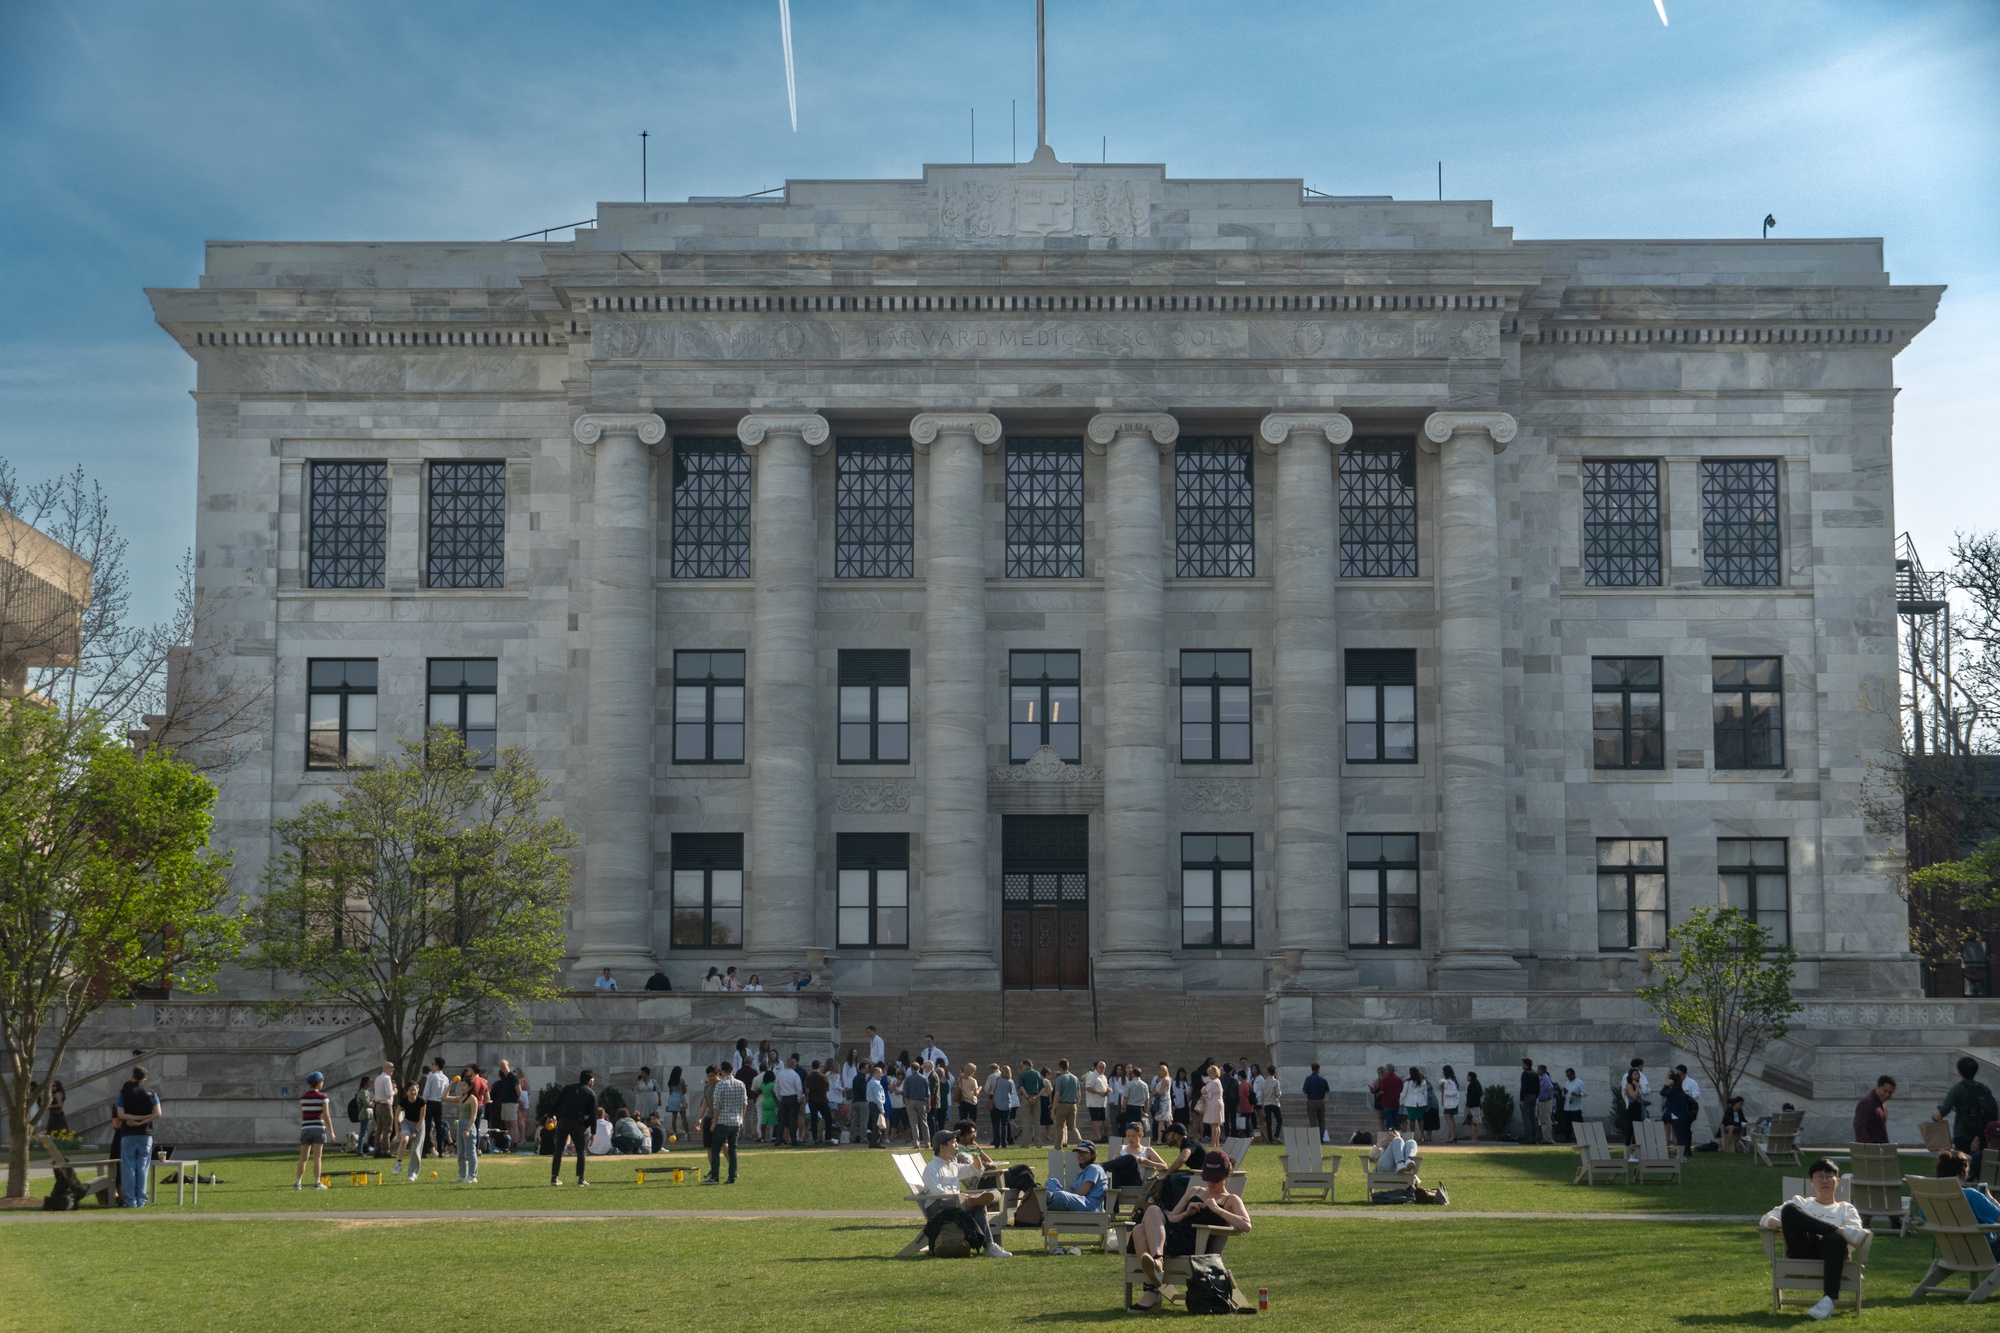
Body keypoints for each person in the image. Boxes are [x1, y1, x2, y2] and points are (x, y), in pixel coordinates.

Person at [1126, 1150, 1251, 1312]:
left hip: (1191, 1244)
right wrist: (1187, 1212)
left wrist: (1217, 1210)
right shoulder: (1195, 1191)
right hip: (1170, 1235)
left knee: (1138, 1230)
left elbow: (1246, 1225)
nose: (1211, 1182)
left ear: (1226, 1175)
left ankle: (1151, 1291)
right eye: (1208, 1177)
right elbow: (1171, 1218)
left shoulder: (1230, 1200)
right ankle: (1158, 1261)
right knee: (1151, 1213)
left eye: (1216, 1178)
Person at [1760, 1158, 1868, 1321]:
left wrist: (1828, 1233)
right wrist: (1792, 1225)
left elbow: (1855, 1235)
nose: (1824, 1180)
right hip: (1803, 1249)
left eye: (1829, 1176)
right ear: (1812, 1182)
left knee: (1833, 1239)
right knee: (1788, 1211)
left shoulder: (1845, 1208)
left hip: (1832, 1253)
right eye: (1819, 1176)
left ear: (1837, 1181)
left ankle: (1828, 1300)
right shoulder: (1800, 1203)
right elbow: (1765, 1219)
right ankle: (1835, 1229)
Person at [921, 1131, 1012, 1258]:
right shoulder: (932, 1168)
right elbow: (937, 1192)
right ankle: (989, 1247)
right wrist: (961, 1197)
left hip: (955, 1202)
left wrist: (975, 1155)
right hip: (938, 1205)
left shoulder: (953, 1165)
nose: (957, 1145)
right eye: (953, 1143)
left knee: (992, 1193)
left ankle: (976, 1202)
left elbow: (976, 1170)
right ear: (942, 1147)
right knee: (978, 1204)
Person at [1935, 1150, 2000, 1260]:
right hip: (1984, 1251)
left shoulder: (1933, 1196)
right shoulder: (1971, 1195)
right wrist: (1990, 1199)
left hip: (1953, 1251)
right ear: (1963, 1172)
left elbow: (1924, 1219)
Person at [114, 1067, 160, 1208]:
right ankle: (141, 1199)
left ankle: (131, 1200)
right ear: (145, 1078)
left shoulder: (124, 1093)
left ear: (132, 1076)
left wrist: (134, 1119)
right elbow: (158, 1113)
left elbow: (121, 1115)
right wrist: (143, 1120)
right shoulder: (152, 1092)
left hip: (128, 1134)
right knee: (142, 1167)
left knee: (128, 1167)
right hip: (145, 1134)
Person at [1933, 1055, 1998, 1154]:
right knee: (1981, 1165)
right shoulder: (1984, 1088)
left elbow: (1942, 1112)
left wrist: (1934, 1117)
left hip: (1964, 1136)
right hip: (1983, 1135)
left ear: (1959, 1071)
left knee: (1963, 1165)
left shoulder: (1959, 1088)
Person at [549, 1069, 598, 1187]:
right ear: (590, 1080)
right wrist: (593, 1132)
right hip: (577, 1122)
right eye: (593, 1080)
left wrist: (550, 1116)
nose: (593, 1083)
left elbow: (557, 1102)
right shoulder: (590, 1093)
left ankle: (554, 1178)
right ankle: (581, 1179)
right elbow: (593, 1115)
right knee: (581, 1150)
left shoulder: (568, 1087)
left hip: (563, 1121)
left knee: (559, 1150)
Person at [703, 1062, 747, 1183]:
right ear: (733, 1070)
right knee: (733, 1150)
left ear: (722, 1072)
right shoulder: (741, 1084)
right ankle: (732, 1176)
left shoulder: (720, 1085)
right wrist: (741, 1119)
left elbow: (717, 1106)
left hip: (723, 1121)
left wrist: (714, 1121)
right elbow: (744, 1103)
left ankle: (714, 1176)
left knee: (715, 1149)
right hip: (736, 1122)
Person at [291, 1071, 333, 1190]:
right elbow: (326, 1114)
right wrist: (332, 1132)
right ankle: (316, 1182)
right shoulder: (323, 1097)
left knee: (303, 1157)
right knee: (317, 1157)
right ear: (319, 1083)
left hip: (305, 1128)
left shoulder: (303, 1097)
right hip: (318, 1128)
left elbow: (302, 1113)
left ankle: (298, 1182)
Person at [1047, 1141, 1109, 1212]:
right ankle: (1053, 1198)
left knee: (1059, 1195)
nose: (1080, 1155)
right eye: (1079, 1152)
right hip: (1079, 1201)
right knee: (1051, 1182)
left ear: (1092, 1155)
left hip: (1089, 1205)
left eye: (1084, 1153)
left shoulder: (1094, 1168)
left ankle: (1051, 1199)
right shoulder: (1084, 1170)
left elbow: (1083, 1192)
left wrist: (1066, 1195)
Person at [448, 1068, 484, 1182]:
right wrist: (451, 1084)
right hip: (460, 1125)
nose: (462, 1087)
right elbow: (444, 1097)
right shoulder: (460, 1098)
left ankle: (472, 1176)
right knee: (461, 1153)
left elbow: (474, 1115)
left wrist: (468, 1130)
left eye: (464, 1086)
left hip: (468, 1126)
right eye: (461, 1085)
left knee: (470, 1152)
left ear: (469, 1087)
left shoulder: (473, 1099)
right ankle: (462, 1175)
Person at [393, 1079, 426, 1176]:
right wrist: (397, 1132)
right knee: (404, 1139)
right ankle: (399, 1163)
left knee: (415, 1150)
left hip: (419, 1124)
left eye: (414, 1090)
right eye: (411, 1090)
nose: (413, 1092)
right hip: (407, 1122)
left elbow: (422, 1118)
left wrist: (416, 1131)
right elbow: (396, 1117)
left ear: (418, 1090)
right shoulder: (403, 1102)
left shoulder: (422, 1102)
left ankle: (412, 1174)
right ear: (407, 1092)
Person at [1852, 1075, 1895, 1144]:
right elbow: (1859, 1127)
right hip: (1870, 1150)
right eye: (1885, 1090)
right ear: (1877, 1087)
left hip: (1879, 1149)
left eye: (1890, 1093)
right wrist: (1869, 1147)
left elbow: (1882, 1130)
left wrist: (1887, 1146)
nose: (1887, 1095)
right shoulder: (1867, 1103)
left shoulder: (1883, 1105)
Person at [1659, 1069, 1695, 1153]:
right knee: (1681, 1135)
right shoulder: (1680, 1091)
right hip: (1682, 1115)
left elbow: (1662, 1092)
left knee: (1679, 1136)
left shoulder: (1672, 1092)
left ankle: (1681, 1154)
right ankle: (1684, 1153)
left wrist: (1666, 1085)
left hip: (1675, 1115)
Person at [421, 1057, 451, 1155]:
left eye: (433, 1064)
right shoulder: (446, 1078)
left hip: (430, 1102)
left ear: (437, 1066)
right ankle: (440, 1150)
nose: (432, 1066)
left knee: (427, 1126)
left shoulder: (432, 1077)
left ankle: (425, 1150)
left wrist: (423, 1101)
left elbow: (426, 1091)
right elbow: (446, 1092)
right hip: (439, 1103)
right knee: (438, 1127)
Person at [1052, 1059, 1082, 1147]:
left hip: (1063, 1104)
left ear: (1060, 1068)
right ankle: (1081, 1142)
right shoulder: (1075, 1078)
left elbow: (1057, 1094)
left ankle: (1058, 1146)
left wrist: (1053, 1109)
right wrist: (1077, 1105)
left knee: (1059, 1126)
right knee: (1072, 1126)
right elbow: (1079, 1094)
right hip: (1073, 1104)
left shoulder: (1060, 1078)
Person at [775, 1056, 804, 1146]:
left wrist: (780, 1098)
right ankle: (793, 1139)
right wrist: (799, 1098)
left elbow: (776, 1088)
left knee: (782, 1120)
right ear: (794, 1065)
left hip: (784, 1098)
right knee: (793, 1120)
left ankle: (778, 1139)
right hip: (793, 1098)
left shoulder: (780, 1075)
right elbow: (799, 1088)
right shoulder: (795, 1075)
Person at [1016, 1061, 1046, 1147]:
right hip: (1036, 1098)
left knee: (1025, 1120)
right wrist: (1037, 1096)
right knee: (1036, 1121)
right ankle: (1038, 1142)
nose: (1022, 1068)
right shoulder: (1038, 1074)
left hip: (1026, 1098)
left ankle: (1025, 1143)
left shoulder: (1023, 1075)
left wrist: (1028, 1097)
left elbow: (1021, 1088)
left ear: (1026, 1065)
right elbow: (1044, 1087)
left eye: (1022, 1066)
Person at [1617, 1065, 1646, 1146]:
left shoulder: (1637, 1084)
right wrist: (1637, 1087)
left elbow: (1638, 1097)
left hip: (1638, 1108)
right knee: (1631, 1129)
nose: (1637, 1076)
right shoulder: (1629, 1085)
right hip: (1632, 1108)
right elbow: (1633, 1096)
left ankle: (1634, 1148)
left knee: (1637, 1130)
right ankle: (1628, 1147)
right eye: (1635, 1074)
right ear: (1630, 1076)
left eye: (1638, 1074)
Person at [1401, 1067, 1431, 1143]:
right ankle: (1422, 1135)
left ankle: (1413, 1136)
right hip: (1421, 1102)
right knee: (1420, 1119)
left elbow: (1404, 1093)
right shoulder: (1423, 1081)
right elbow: (1425, 1093)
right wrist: (1426, 1102)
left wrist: (1400, 1101)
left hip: (1411, 1102)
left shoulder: (1408, 1082)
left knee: (1412, 1119)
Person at [1196, 1064, 1224, 1146]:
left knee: (1213, 1124)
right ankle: (1216, 1142)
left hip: (1213, 1104)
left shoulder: (1214, 1082)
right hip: (1217, 1103)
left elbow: (1204, 1090)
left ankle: (1213, 1142)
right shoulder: (1217, 1081)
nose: (1209, 1075)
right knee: (1216, 1124)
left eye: (1210, 1073)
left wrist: (1204, 1090)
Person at [1303, 1063, 1331, 1144]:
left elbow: (1304, 1090)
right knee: (1322, 1120)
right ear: (1319, 1069)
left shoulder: (1308, 1079)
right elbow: (1327, 1090)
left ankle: (1314, 1138)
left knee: (1313, 1121)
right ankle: (1321, 1137)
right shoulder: (1323, 1079)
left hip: (1311, 1101)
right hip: (1321, 1101)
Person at [1084, 1061, 1111, 1143]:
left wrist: (1108, 1090)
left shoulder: (1104, 1077)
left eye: (1104, 1068)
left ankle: (1104, 1136)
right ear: (1096, 1067)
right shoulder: (1092, 1076)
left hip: (1102, 1102)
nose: (1103, 1069)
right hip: (1094, 1102)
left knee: (1103, 1119)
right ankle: (1098, 1136)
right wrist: (1098, 1092)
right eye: (1101, 1067)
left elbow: (1106, 1087)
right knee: (1095, 1119)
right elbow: (1088, 1087)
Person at [1516, 1058, 1540, 1144]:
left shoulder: (1525, 1074)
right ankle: (1534, 1137)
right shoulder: (1535, 1074)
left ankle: (1528, 1138)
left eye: (1523, 1064)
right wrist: (1536, 1095)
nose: (1522, 1065)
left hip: (1527, 1096)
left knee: (1526, 1118)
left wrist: (1522, 1099)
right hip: (1534, 1096)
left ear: (1526, 1064)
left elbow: (1523, 1087)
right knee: (1533, 1117)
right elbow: (1538, 1087)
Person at [1258, 1065, 1283, 1142]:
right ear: (1275, 1073)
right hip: (1274, 1102)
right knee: (1279, 1119)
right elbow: (1278, 1093)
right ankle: (1276, 1135)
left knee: (1268, 1121)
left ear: (1268, 1072)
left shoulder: (1264, 1082)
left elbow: (1261, 1095)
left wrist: (1263, 1103)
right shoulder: (1276, 1082)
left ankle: (1270, 1138)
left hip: (1266, 1103)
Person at [1561, 1068, 1587, 1143]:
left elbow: (1585, 1093)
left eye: (1569, 1075)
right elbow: (1563, 1094)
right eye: (1567, 1076)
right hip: (1568, 1106)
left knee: (1579, 1123)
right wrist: (1564, 1092)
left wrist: (1578, 1094)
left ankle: (1582, 1138)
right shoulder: (1566, 1083)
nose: (1568, 1077)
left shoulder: (1580, 1082)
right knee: (1567, 1124)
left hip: (1576, 1107)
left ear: (1573, 1074)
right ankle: (1567, 1138)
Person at [1437, 1066, 1461, 1144]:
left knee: (1447, 1117)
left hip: (1451, 1103)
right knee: (1451, 1118)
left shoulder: (1451, 1081)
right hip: (1449, 1103)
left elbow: (1454, 1092)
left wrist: (1445, 1091)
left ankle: (1453, 1135)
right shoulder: (1448, 1080)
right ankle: (1452, 1135)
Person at [1536, 1064, 1558, 1145]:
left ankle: (1548, 1138)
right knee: (1543, 1119)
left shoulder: (1545, 1078)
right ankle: (1546, 1137)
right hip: (1543, 1100)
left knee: (1545, 1119)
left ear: (1541, 1070)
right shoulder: (1543, 1078)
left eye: (1538, 1069)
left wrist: (1547, 1097)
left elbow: (1550, 1088)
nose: (1537, 1071)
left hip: (1545, 1101)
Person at [1463, 1071, 1483, 1145]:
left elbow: (1469, 1098)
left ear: (1470, 1077)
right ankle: (1475, 1138)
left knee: (1472, 1123)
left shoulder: (1471, 1085)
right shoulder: (1477, 1084)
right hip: (1477, 1106)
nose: (1467, 1077)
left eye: (1468, 1076)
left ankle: (1473, 1139)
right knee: (1476, 1122)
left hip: (1472, 1106)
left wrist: (1468, 1107)